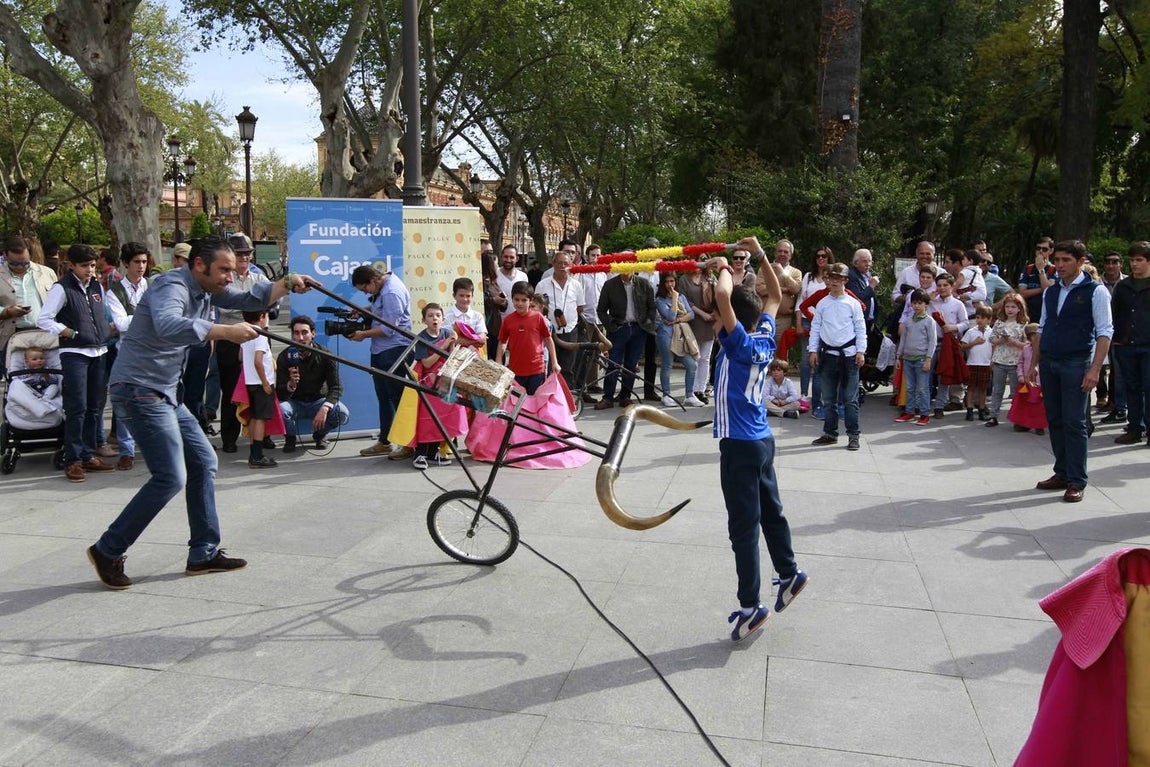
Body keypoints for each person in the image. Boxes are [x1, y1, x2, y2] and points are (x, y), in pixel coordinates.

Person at [86, 235, 312, 590]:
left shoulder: (206, 289)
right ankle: (107, 549)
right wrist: (224, 331)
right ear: (199, 265)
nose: (229, 276)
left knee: (204, 462)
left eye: (233, 268)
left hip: (165, 393)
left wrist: (286, 284)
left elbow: (248, 296)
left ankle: (203, 552)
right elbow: (168, 324)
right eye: (224, 269)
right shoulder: (170, 285)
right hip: (139, 390)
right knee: (170, 476)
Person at [708, 236, 807, 642]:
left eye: (717, 318)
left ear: (729, 322)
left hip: (739, 445)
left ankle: (750, 606)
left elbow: (723, 297)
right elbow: (777, 293)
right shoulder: (764, 335)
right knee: (771, 511)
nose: (715, 322)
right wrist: (760, 252)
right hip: (762, 440)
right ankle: (789, 572)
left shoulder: (738, 343)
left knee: (743, 528)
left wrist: (724, 272)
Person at [1027, 240, 1113, 503]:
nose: (1060, 265)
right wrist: (1034, 364)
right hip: (1050, 361)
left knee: (1074, 422)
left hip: (1077, 363)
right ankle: (1061, 472)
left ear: (1080, 261)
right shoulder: (1051, 292)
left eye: (1066, 260)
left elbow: (1104, 332)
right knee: (1055, 418)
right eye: (1058, 260)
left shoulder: (1095, 291)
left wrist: (1095, 370)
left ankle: (1077, 480)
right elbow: (1041, 328)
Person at [37, 244, 116, 481]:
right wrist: (67, 332)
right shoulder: (61, 288)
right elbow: (44, 319)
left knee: (95, 406)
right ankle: (73, 459)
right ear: (71, 265)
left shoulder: (96, 286)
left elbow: (101, 315)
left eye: (92, 265)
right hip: (75, 353)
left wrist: (106, 331)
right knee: (77, 406)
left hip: (99, 350)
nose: (90, 270)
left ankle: (88, 454)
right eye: (84, 266)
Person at [349, 264, 414, 460]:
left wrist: (363, 334)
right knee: (383, 397)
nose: (365, 292)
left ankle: (407, 444)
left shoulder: (391, 291)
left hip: (395, 350)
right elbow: (382, 311)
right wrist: (364, 310)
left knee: (397, 398)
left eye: (365, 289)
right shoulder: (382, 287)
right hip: (380, 350)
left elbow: (389, 328)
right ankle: (385, 441)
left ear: (372, 281)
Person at [215, 234, 270, 453]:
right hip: (230, 338)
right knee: (230, 391)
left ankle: (263, 434)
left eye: (247, 254)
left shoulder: (259, 277)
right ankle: (229, 438)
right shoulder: (225, 279)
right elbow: (224, 308)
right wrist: (252, 305)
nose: (244, 258)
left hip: (257, 339)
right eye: (240, 255)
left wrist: (255, 305)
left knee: (261, 388)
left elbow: (273, 300)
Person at [103, 242, 151, 470]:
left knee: (155, 402)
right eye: (137, 262)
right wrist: (146, 316)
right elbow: (120, 324)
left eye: (144, 262)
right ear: (126, 263)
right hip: (127, 354)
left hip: (153, 353)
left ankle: (153, 447)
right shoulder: (115, 290)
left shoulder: (150, 286)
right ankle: (126, 451)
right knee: (124, 403)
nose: (141, 267)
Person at [809, 262, 867, 450]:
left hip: (849, 356)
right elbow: (816, 328)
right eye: (831, 278)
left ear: (845, 281)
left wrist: (860, 351)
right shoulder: (822, 303)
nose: (833, 282)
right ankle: (830, 433)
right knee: (828, 399)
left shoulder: (853, 304)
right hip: (828, 355)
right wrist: (812, 350)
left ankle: (853, 435)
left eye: (837, 278)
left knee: (850, 399)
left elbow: (860, 328)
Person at [410, 303, 466, 469]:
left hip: (445, 382)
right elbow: (426, 363)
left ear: (443, 318)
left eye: (437, 315)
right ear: (423, 320)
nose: (434, 318)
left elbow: (452, 357)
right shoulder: (422, 338)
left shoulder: (448, 333)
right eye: (430, 316)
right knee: (427, 418)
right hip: (429, 383)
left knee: (446, 416)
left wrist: (454, 343)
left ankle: (434, 451)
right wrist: (443, 345)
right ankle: (419, 453)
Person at [595, 267, 657, 410]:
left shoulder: (644, 284)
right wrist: (612, 326)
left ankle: (625, 396)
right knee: (613, 364)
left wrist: (646, 325)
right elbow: (601, 310)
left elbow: (651, 307)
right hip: (618, 329)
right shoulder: (610, 285)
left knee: (631, 364)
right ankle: (608, 397)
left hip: (638, 329)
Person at [1110, 242, 1150, 447]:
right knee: (1131, 387)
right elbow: (1114, 312)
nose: (1134, 264)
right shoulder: (1123, 286)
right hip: (1126, 344)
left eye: (1139, 260)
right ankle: (1135, 428)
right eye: (1132, 260)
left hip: (1147, 344)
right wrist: (1116, 337)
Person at [1, 235, 58, 376]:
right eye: (15, 264)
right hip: (11, 335)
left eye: (25, 263)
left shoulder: (46, 273)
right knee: (14, 376)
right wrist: (7, 311)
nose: (20, 267)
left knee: (50, 376)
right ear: (5, 256)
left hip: (44, 334)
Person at [535, 243, 584, 390]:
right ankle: (550, 396)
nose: (563, 266)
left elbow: (579, 308)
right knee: (550, 366)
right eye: (559, 263)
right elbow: (537, 308)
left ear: (571, 265)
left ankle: (567, 398)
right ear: (553, 264)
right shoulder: (542, 284)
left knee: (568, 367)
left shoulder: (576, 285)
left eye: (566, 263)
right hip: (548, 331)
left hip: (570, 330)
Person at [497, 281, 558, 395]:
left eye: (524, 300)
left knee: (535, 403)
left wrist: (554, 362)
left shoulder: (538, 318)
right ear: (512, 299)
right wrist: (499, 361)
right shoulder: (508, 320)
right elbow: (502, 342)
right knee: (516, 405)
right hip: (515, 371)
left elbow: (548, 340)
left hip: (537, 370)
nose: (520, 303)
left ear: (531, 301)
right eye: (516, 299)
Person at [654, 271, 702, 407]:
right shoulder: (660, 300)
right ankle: (666, 395)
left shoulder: (682, 296)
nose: (670, 285)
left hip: (681, 336)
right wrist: (674, 300)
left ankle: (689, 395)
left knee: (692, 365)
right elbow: (669, 316)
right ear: (663, 284)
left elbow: (691, 314)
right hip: (666, 335)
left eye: (672, 281)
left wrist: (678, 320)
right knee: (667, 364)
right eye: (667, 282)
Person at [798, 246, 834, 417]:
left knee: (820, 362)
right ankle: (804, 394)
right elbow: (801, 302)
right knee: (806, 360)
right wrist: (803, 320)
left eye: (824, 256)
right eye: (818, 256)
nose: (821, 259)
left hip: (827, 323)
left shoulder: (833, 278)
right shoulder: (808, 276)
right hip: (808, 320)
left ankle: (819, 400)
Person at [894, 289, 938, 425]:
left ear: (926, 304)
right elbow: (903, 340)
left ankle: (924, 414)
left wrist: (928, 359)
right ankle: (909, 411)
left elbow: (933, 341)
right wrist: (898, 357)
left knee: (923, 388)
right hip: (908, 359)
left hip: (921, 359)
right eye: (914, 303)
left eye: (920, 303)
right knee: (910, 387)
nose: (917, 306)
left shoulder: (929, 321)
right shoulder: (908, 322)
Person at [985, 292, 1029, 427]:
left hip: (1016, 362)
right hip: (1000, 360)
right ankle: (994, 415)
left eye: (1013, 307)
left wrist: (1014, 342)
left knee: (1016, 391)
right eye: (1007, 307)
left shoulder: (1023, 324)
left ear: (1020, 308)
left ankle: (1017, 416)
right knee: (997, 390)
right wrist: (1000, 340)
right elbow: (991, 338)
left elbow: (1027, 345)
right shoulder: (999, 322)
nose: (1010, 310)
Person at [678, 263, 717, 403]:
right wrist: (702, 314)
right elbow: (684, 301)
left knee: (705, 358)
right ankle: (691, 390)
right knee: (694, 357)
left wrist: (714, 313)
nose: (700, 263)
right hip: (693, 321)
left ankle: (700, 390)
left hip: (709, 322)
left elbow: (719, 296)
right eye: (698, 259)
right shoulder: (684, 279)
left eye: (704, 260)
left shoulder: (710, 277)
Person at [1097, 251, 1128, 423]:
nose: (1111, 265)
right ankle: (1104, 397)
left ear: (1121, 264)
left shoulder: (1128, 282)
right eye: (1108, 262)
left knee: (1118, 372)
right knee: (1099, 368)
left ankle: (1117, 405)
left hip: (1120, 334)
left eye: (1115, 261)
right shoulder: (1097, 283)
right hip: (1101, 332)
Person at [759, 239, 802, 341]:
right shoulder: (765, 269)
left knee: (780, 353)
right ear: (775, 253)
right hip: (766, 317)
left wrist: (782, 272)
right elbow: (760, 289)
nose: (782, 254)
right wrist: (785, 289)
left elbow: (795, 289)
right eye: (780, 251)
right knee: (763, 348)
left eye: (786, 252)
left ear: (790, 255)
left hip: (784, 319)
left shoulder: (796, 273)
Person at [961, 306, 994, 420]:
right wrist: (974, 343)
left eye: (983, 318)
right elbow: (962, 346)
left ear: (989, 319)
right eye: (978, 317)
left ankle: (981, 409)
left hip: (985, 364)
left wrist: (992, 361)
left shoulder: (992, 332)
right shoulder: (971, 331)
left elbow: (994, 347)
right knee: (970, 387)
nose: (979, 320)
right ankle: (969, 409)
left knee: (983, 388)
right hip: (972, 363)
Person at [1018, 237, 1057, 329]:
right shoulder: (1028, 269)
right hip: (1028, 312)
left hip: (1044, 313)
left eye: (1044, 249)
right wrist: (1042, 288)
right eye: (1038, 248)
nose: (1040, 251)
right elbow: (1022, 293)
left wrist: (1041, 270)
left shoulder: (1054, 270)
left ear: (1051, 251)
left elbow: (1048, 291)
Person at [444, 277, 488, 355]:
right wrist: (474, 341)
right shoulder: (447, 316)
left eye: (468, 296)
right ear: (454, 295)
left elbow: (482, 338)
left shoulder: (478, 316)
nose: (465, 299)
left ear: (472, 296)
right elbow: (450, 339)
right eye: (461, 295)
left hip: (474, 359)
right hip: (453, 359)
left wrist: (462, 340)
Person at [480, 249, 506, 361]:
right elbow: (480, 301)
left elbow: (502, 307)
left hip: (497, 329)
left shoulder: (494, 283)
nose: (498, 267)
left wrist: (503, 301)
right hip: (487, 329)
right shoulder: (481, 283)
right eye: (496, 264)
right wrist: (493, 300)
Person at [846, 248, 879, 329]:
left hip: (869, 320)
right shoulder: (851, 276)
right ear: (856, 263)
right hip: (858, 321)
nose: (868, 264)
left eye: (870, 261)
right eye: (864, 261)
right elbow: (858, 299)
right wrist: (871, 286)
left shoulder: (867, 275)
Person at [495, 245, 528, 320]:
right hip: (498, 322)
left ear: (517, 258)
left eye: (511, 257)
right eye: (506, 257)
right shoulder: (494, 275)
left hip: (519, 320)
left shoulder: (523, 276)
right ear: (501, 257)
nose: (508, 260)